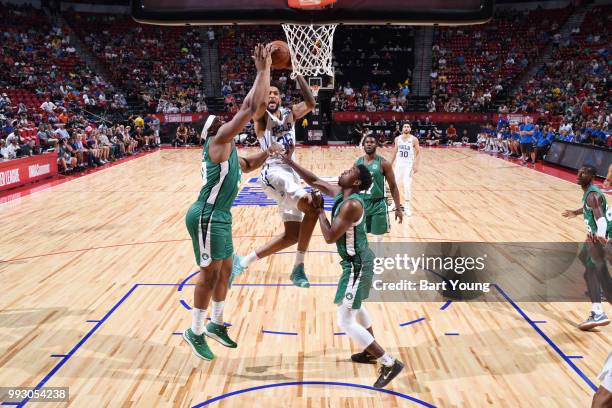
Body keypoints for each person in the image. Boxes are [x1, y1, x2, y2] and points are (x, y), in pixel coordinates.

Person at [278, 147, 405, 389]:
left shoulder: (352, 206)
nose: (344, 171)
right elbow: (314, 180)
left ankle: (388, 362)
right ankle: (370, 352)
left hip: (357, 264)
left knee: (345, 320)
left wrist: (319, 212)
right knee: (354, 306)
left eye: (349, 171)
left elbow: (329, 236)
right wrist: (289, 162)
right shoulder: (340, 192)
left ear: (355, 181)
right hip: (354, 262)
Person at [183, 44, 279, 361]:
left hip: (220, 217)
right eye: (219, 122)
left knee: (225, 272)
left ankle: (216, 323)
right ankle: (194, 331)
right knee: (209, 274)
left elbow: (250, 165)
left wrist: (272, 151)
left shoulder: (231, 153)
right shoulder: (218, 141)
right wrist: (263, 70)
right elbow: (250, 109)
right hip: (207, 215)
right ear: (211, 132)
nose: (225, 123)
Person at [233, 72, 318, 288]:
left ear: (280, 98)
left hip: (291, 174)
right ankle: (299, 267)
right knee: (311, 205)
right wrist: (264, 70)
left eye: (275, 93)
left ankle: (243, 262)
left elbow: (310, 102)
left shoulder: (291, 114)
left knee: (292, 235)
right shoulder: (261, 117)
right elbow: (257, 105)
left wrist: (298, 76)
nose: (271, 96)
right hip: (272, 173)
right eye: (268, 93)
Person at [562, 165, 612, 331]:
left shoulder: (592, 195)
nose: (578, 175)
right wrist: (575, 213)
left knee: (591, 271)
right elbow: (588, 209)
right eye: (578, 172)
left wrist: (601, 236)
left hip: (602, 235)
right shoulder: (589, 193)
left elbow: (602, 220)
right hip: (598, 235)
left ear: (591, 177)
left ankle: (597, 312)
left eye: (583, 173)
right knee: (586, 259)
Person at [356, 135, 403, 242]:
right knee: (361, 237)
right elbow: (351, 184)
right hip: (361, 204)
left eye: (372, 142)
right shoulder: (358, 162)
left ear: (376, 145)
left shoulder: (384, 163)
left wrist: (398, 208)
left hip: (378, 204)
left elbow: (393, 186)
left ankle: (378, 257)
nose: (369, 144)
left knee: (379, 238)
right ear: (363, 145)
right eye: (367, 142)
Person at [390, 123, 420, 216]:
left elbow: (418, 152)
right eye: (404, 127)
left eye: (408, 127)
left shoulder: (414, 139)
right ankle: (393, 204)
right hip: (399, 165)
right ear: (402, 128)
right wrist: (390, 164)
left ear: (410, 128)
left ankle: (407, 207)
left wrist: (415, 165)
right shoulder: (397, 139)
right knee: (394, 184)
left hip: (408, 166)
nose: (406, 128)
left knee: (407, 186)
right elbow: (395, 151)